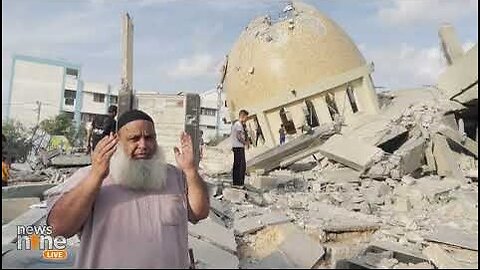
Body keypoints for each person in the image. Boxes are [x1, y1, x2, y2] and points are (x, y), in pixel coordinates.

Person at [46, 109, 210, 268]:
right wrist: (96, 177)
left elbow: (199, 212)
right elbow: (58, 228)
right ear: (116, 140)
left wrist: (190, 171)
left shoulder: (174, 176)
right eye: (134, 138)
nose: (143, 145)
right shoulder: (92, 175)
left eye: (149, 138)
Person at [230, 109, 249, 188]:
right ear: (243, 116)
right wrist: (245, 142)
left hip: (237, 147)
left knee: (238, 165)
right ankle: (239, 182)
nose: (246, 120)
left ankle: (237, 182)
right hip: (238, 147)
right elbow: (238, 136)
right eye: (246, 118)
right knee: (241, 165)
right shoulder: (238, 125)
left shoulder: (238, 124)